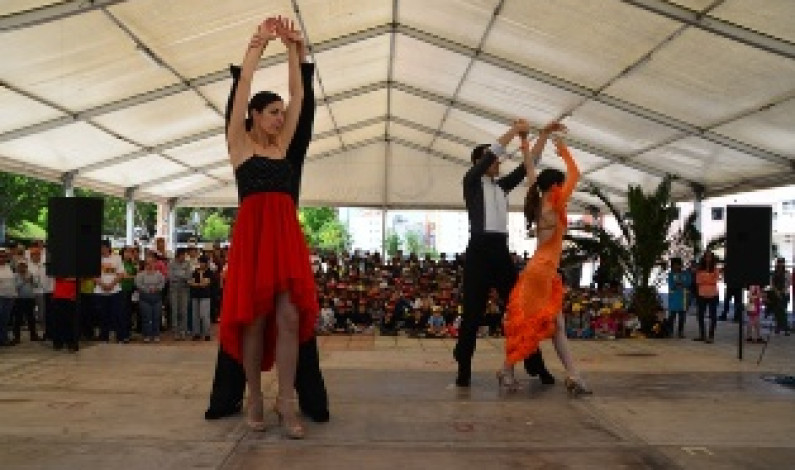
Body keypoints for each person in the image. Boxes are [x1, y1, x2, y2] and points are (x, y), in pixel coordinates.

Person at [205, 16, 329, 425]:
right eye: (273, 113)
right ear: (255, 116)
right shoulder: (238, 144)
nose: (280, 118)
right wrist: (256, 48)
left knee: (290, 318)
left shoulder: (284, 144)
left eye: (280, 113)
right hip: (254, 240)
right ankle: (255, 397)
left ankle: (286, 401)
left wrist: (296, 49)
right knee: (254, 321)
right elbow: (241, 90)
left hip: (285, 238)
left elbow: (299, 94)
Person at [453, 119, 554, 388]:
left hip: (499, 250)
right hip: (478, 250)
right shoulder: (471, 182)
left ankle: (536, 365)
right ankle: (463, 366)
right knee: (472, 314)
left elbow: (529, 163)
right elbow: (493, 153)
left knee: (520, 310)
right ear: (481, 163)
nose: (499, 164)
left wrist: (542, 135)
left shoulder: (501, 186)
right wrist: (514, 131)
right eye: (494, 161)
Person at [498, 125, 592, 396]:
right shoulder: (556, 201)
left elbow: (530, 171)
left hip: (536, 270)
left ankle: (572, 375)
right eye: (562, 184)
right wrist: (562, 148)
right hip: (544, 272)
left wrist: (526, 143)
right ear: (556, 185)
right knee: (537, 324)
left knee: (550, 325)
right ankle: (508, 370)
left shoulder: (537, 200)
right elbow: (576, 173)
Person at [135, 252, 166, 343]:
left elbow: (162, 283)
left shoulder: (159, 274)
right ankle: (146, 335)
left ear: (154, 263)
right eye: (147, 263)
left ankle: (156, 335)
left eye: (151, 262)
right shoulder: (140, 274)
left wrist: (157, 288)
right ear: (145, 264)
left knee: (156, 317)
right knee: (146, 317)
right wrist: (148, 289)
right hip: (145, 298)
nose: (149, 265)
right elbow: (138, 284)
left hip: (157, 298)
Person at [189, 255, 214, 341]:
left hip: (205, 296)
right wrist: (199, 284)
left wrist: (199, 280)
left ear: (206, 263)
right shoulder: (195, 271)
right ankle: (196, 333)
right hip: (195, 295)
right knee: (195, 315)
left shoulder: (210, 272)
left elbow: (205, 283)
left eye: (203, 262)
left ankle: (207, 333)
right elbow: (191, 282)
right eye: (200, 262)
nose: (201, 264)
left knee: (204, 315)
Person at [667, 258, 691, 338]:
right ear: (672, 266)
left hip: (683, 298)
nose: (676, 266)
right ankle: (670, 331)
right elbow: (671, 285)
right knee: (672, 316)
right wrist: (679, 284)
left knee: (682, 316)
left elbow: (688, 283)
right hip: (673, 298)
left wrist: (680, 284)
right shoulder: (671, 274)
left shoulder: (686, 273)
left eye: (678, 264)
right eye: (674, 265)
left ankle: (680, 331)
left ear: (681, 265)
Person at [769, 257, 791, 335]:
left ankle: (785, 328)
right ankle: (779, 327)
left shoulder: (787, 273)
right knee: (777, 312)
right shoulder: (774, 273)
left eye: (782, 262)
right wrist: (777, 291)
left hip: (784, 294)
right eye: (779, 262)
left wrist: (782, 291)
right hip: (775, 294)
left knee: (783, 311)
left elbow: (788, 283)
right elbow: (772, 283)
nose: (781, 264)